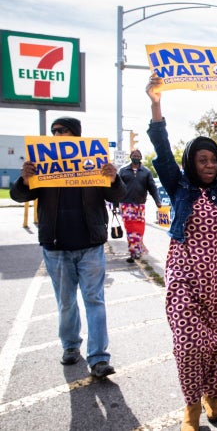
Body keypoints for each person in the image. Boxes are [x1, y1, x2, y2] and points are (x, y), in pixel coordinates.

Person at [145, 75, 217, 431]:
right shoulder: (178, 185)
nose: (209, 165)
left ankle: (211, 394)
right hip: (186, 280)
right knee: (189, 344)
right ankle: (191, 406)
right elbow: (162, 150)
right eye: (202, 160)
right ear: (191, 163)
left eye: (213, 160)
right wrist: (156, 104)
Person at [10, 116, 125, 379]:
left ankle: (99, 358)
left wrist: (113, 178)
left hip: (91, 245)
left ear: (75, 135)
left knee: (95, 300)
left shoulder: (94, 163)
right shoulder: (43, 165)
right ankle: (71, 345)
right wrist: (24, 180)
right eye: (53, 131)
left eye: (61, 130)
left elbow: (118, 195)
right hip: (56, 246)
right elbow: (19, 196)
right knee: (65, 302)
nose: (56, 134)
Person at [115, 149, 162, 263]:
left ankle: (137, 250)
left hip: (140, 205)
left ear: (141, 158)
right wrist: (115, 203)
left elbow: (152, 188)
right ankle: (134, 253)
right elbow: (116, 188)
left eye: (138, 156)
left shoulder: (146, 172)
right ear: (130, 156)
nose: (136, 157)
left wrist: (157, 201)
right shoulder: (123, 170)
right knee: (131, 229)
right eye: (134, 155)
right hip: (126, 204)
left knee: (139, 229)